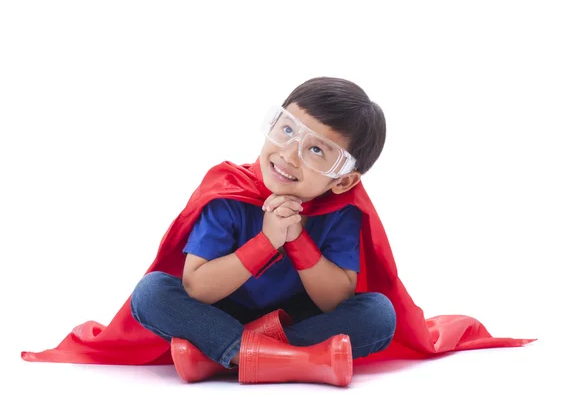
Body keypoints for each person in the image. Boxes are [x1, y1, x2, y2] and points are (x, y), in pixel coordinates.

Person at [129, 77, 394, 387]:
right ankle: (298, 361)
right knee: (150, 293)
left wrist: (296, 239)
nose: (289, 155)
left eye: (317, 151)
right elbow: (197, 288)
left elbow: (335, 301)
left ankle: (223, 356)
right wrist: (267, 241)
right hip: (220, 312)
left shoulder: (341, 211)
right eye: (287, 130)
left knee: (379, 315)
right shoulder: (229, 192)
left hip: (294, 318)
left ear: (343, 181)